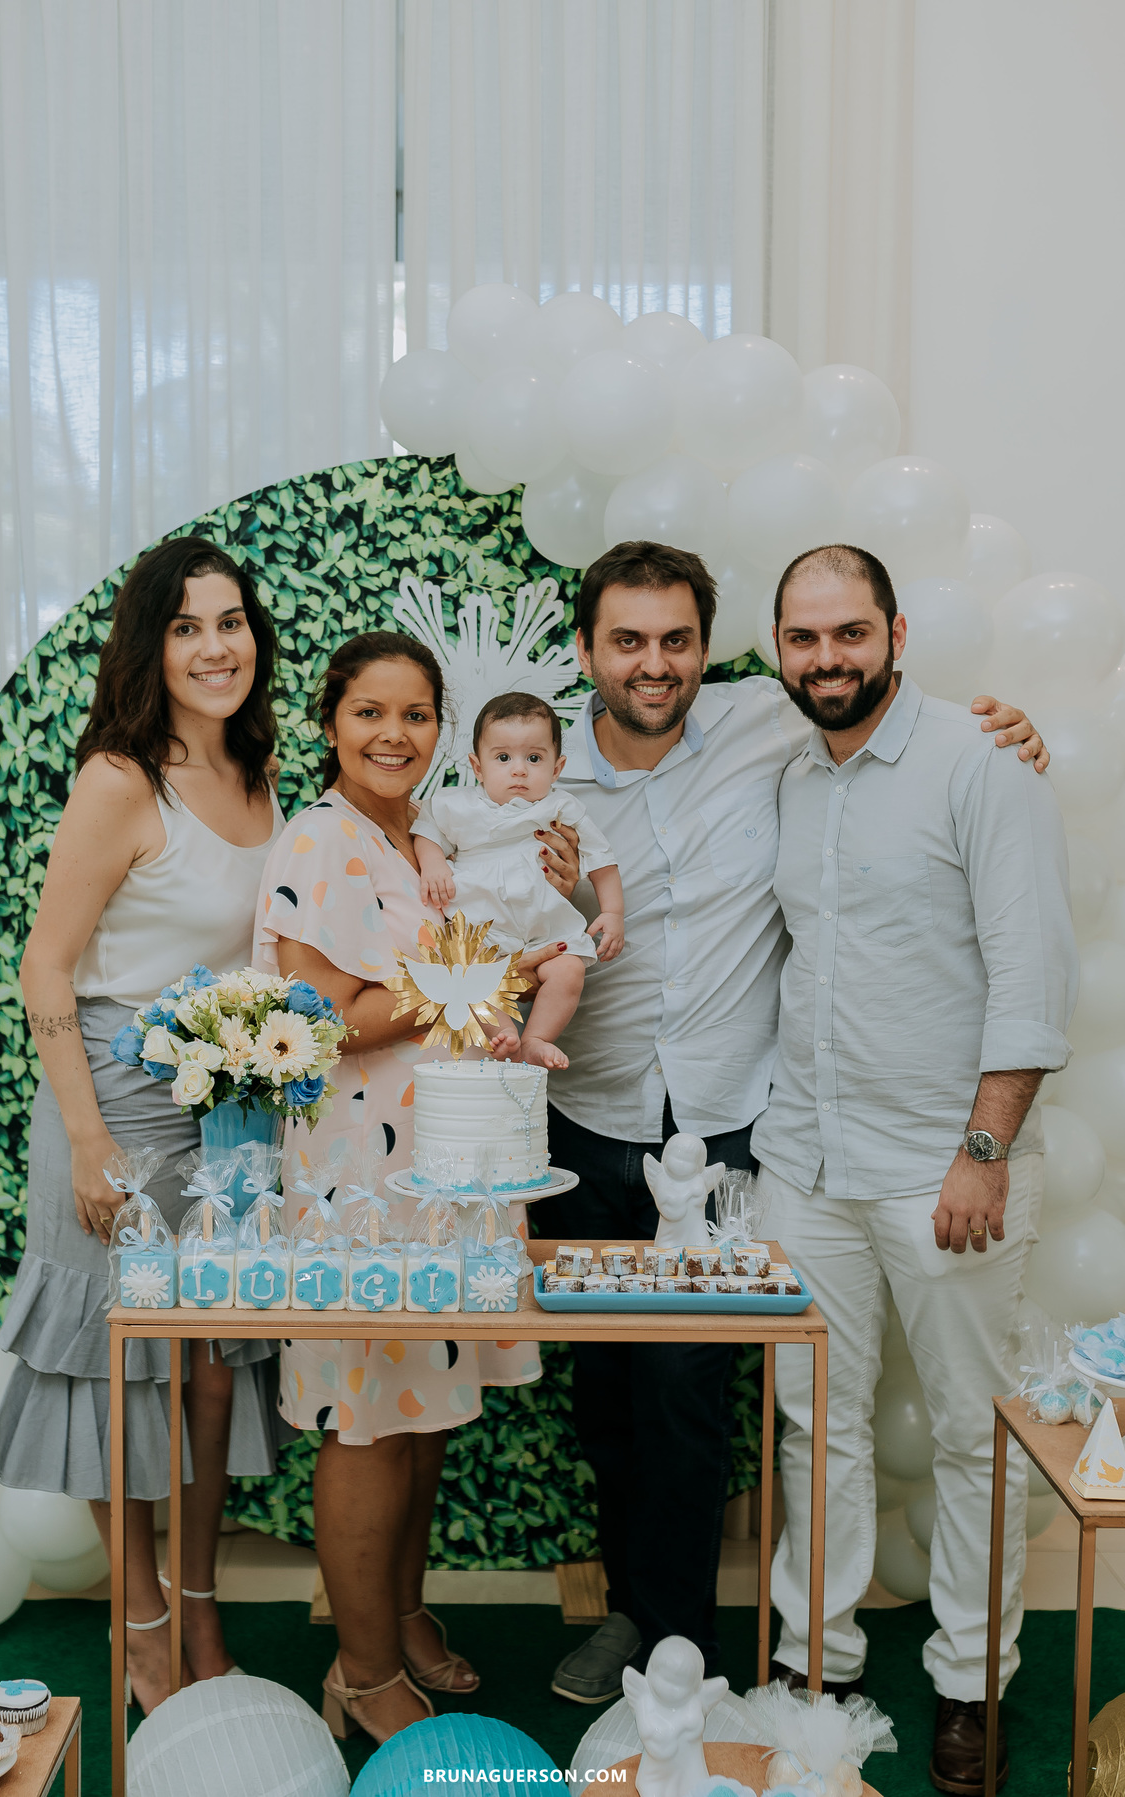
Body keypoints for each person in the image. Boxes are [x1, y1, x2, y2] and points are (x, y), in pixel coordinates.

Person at [531, 539, 1047, 1706]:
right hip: (589, 1120)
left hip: (725, 1131)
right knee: (613, 1406)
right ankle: (664, 1624)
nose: (653, 664)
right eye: (628, 641)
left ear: (708, 651)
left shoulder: (774, 724)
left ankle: (687, 1648)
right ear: (587, 652)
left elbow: (924, 774)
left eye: (675, 641)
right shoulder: (541, 769)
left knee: (693, 1400)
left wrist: (1009, 733)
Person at [750, 544, 1076, 1796]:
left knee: (969, 1434)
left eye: (848, 635)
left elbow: (1031, 977)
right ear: (778, 650)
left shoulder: (984, 763)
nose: (827, 659)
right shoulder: (788, 771)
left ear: (893, 630)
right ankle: (814, 1663)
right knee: (809, 1425)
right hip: (807, 1163)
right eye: (803, 639)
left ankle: (969, 1684)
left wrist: (983, 1150)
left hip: (949, 1166)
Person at [0, 536, 285, 1714]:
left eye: (232, 622)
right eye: (189, 626)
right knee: (123, 1370)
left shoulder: (261, 773)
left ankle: (204, 1606)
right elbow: (45, 966)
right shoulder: (121, 777)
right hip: (113, 1098)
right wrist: (89, 1137)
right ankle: (142, 1618)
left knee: (214, 1368)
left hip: (231, 1111)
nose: (217, 647)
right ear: (151, 646)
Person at [252, 631, 563, 1745]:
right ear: (331, 722)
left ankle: (401, 1610)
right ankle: (363, 1665)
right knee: (367, 1421)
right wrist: (480, 979)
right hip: (359, 1182)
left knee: (424, 1413)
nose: (394, 734)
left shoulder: (422, 837)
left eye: (417, 714)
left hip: (443, 1168)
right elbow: (326, 1018)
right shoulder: (324, 840)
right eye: (370, 713)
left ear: (443, 726)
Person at [411, 690, 625, 1069]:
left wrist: (613, 911)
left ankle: (536, 1038)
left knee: (569, 968)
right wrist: (434, 864)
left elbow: (601, 859)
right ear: (478, 768)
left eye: (534, 758)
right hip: (482, 929)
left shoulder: (561, 807)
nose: (519, 770)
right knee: (469, 972)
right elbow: (427, 833)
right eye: (503, 758)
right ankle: (503, 1035)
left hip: (544, 928)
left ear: (556, 769)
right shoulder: (455, 805)